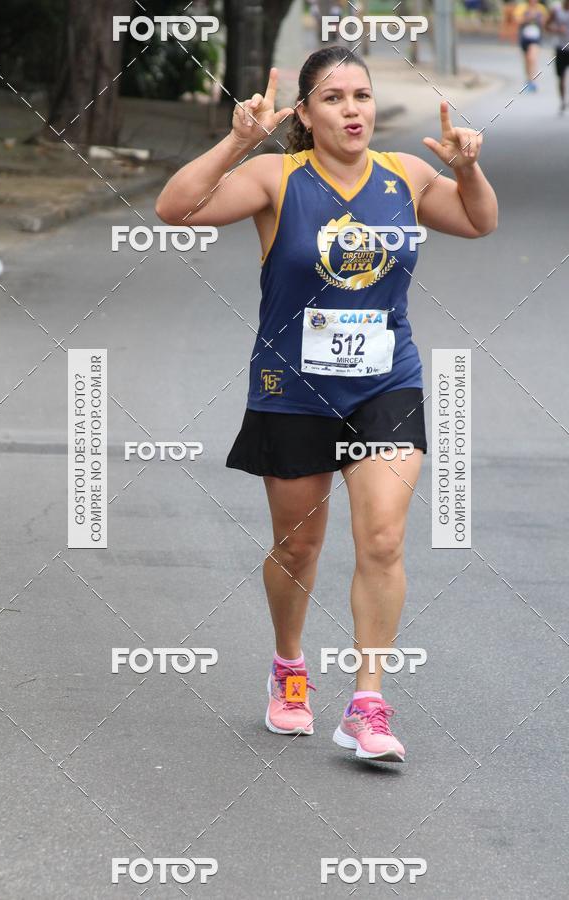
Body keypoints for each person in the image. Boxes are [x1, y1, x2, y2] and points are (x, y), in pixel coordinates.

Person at [155, 47, 498, 763]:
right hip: (293, 390)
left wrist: (467, 168)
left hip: (385, 383)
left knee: (382, 539)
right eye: (334, 98)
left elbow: (478, 221)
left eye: (361, 95)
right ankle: (288, 667)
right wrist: (238, 142)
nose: (352, 109)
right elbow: (174, 208)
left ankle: (368, 704)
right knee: (298, 546)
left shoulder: (405, 175)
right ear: (306, 115)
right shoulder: (276, 178)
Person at [514, 0, 550, 91]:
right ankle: (528, 79)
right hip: (524, 38)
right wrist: (527, 18)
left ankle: (533, 81)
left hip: (535, 38)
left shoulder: (541, 9)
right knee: (527, 60)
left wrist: (540, 20)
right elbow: (517, 20)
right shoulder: (522, 8)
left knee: (532, 58)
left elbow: (546, 22)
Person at [546, 0, 569, 111]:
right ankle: (562, 100)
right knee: (561, 76)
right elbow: (546, 25)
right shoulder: (556, 10)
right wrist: (557, 29)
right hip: (561, 48)